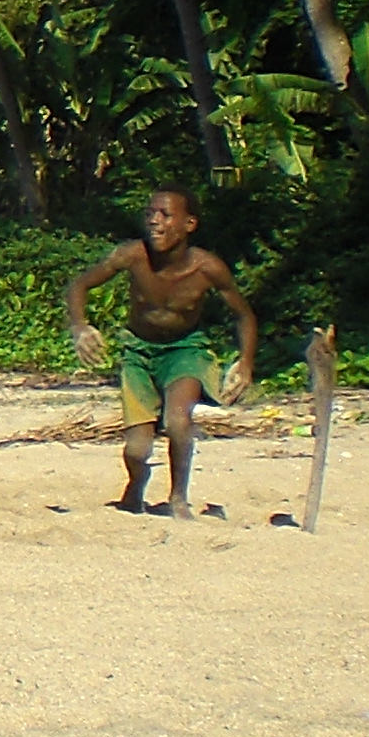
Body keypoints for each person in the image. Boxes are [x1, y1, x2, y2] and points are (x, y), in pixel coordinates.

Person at [66, 184, 258, 519]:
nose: (155, 221)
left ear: (189, 224)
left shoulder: (207, 268)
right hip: (138, 353)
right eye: (150, 214)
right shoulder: (132, 255)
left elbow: (244, 315)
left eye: (166, 215)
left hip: (185, 350)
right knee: (137, 450)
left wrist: (245, 363)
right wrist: (80, 327)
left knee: (178, 421)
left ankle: (178, 497)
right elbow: (79, 286)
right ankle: (136, 483)